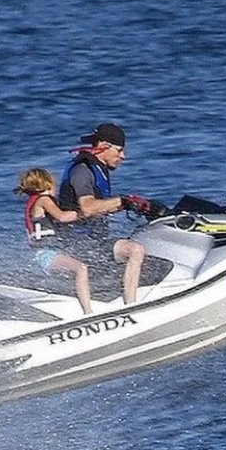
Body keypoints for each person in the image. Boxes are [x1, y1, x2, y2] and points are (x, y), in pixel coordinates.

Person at [56, 122, 150, 305]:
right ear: (103, 146)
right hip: (78, 246)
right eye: (119, 150)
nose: (123, 156)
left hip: (95, 243)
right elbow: (88, 207)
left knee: (142, 240)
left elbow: (99, 208)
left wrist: (131, 206)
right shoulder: (83, 170)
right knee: (135, 250)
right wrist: (123, 201)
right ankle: (131, 306)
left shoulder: (98, 169)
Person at [15, 167, 94, 315]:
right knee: (81, 268)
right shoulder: (44, 200)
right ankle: (88, 313)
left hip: (44, 254)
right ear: (48, 183)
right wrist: (89, 212)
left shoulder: (33, 203)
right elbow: (62, 217)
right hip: (47, 255)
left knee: (81, 268)